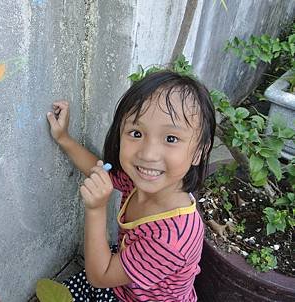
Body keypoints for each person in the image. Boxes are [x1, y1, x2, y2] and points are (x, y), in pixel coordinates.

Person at [46, 70, 216, 302]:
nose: (147, 154)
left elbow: (100, 276)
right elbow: (99, 170)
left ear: (199, 151)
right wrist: (63, 137)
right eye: (136, 133)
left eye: (171, 138)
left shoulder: (171, 239)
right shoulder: (142, 183)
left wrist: (96, 209)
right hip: (121, 279)